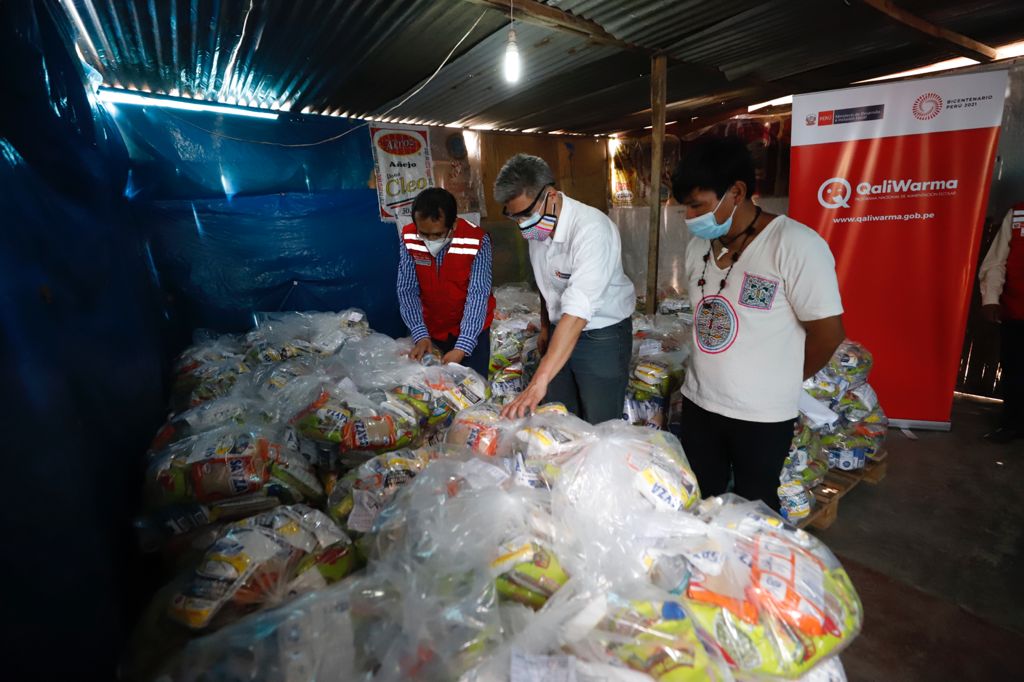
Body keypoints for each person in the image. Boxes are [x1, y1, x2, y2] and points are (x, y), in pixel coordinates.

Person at [670, 137, 846, 511]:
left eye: (697, 206)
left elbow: (828, 334)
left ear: (736, 192)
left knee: (754, 510)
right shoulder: (698, 247)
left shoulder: (795, 245)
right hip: (700, 403)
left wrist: (780, 381)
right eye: (685, 207)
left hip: (762, 418)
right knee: (702, 503)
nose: (689, 218)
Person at [494, 154, 636, 423]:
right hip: (562, 329)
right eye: (514, 217)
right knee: (559, 416)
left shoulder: (592, 229)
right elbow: (547, 285)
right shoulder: (537, 229)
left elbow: (579, 307)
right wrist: (546, 326)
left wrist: (538, 380)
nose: (522, 224)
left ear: (552, 196)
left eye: (525, 214)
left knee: (599, 423)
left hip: (600, 334)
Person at [396, 187, 495, 377]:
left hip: (471, 330)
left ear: (454, 224)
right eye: (423, 233)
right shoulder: (409, 237)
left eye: (437, 234)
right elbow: (407, 289)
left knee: (473, 389)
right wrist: (420, 334)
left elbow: (478, 294)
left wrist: (463, 346)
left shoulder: (477, 240)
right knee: (432, 391)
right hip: (429, 328)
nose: (429, 240)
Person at [978, 202, 1024, 443]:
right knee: (1015, 370)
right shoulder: (1017, 214)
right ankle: (1012, 424)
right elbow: (996, 261)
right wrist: (991, 299)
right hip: (1017, 311)